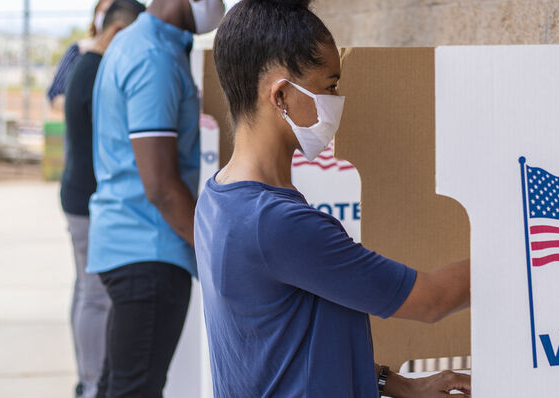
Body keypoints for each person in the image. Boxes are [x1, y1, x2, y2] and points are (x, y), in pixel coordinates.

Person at [194, 0, 472, 397]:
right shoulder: (278, 224)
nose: (337, 99)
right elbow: (432, 300)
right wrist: (516, 256)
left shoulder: (218, 198)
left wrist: (396, 385)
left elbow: (286, 341)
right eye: (330, 86)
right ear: (282, 95)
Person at [87, 0, 225, 397]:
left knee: (118, 385)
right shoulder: (154, 59)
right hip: (148, 249)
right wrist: (217, 251)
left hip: (130, 244)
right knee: (135, 389)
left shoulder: (135, 43)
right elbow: (162, 187)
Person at [61, 1, 145, 397]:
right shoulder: (96, 71)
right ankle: (92, 384)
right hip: (87, 200)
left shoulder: (85, 64)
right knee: (95, 297)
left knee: (85, 291)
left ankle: (87, 378)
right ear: (115, 33)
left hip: (79, 194)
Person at [47, 0, 113, 110]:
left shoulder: (122, 54)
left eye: (111, 11)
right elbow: (54, 94)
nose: (107, 17)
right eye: (104, 11)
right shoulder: (78, 50)